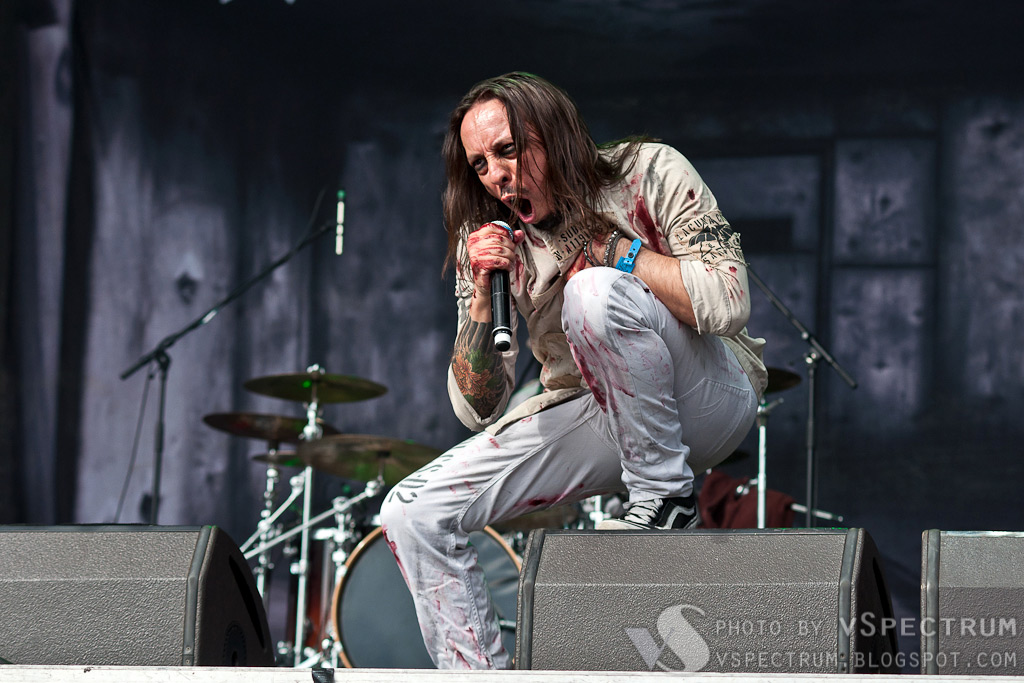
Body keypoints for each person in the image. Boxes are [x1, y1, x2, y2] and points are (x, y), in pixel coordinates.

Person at [378, 72, 767, 670]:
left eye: (508, 150)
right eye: (480, 164)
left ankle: (665, 499)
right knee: (411, 512)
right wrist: (481, 296)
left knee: (593, 292)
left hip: (708, 393)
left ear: (555, 135)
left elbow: (727, 302)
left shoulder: (648, 170)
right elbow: (476, 409)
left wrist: (617, 252)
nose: (496, 175)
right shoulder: (490, 241)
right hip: (596, 407)